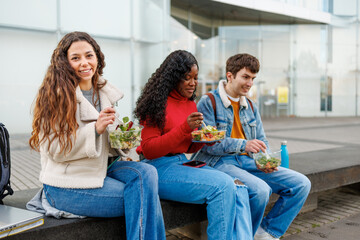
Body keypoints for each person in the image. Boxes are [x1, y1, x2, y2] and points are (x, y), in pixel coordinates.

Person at [29, 31, 165, 240]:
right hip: (66, 185)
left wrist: (122, 135)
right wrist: (94, 129)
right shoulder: (55, 95)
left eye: (89, 55)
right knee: (144, 198)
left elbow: (109, 140)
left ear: (97, 58)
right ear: (64, 63)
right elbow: (54, 149)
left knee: (147, 173)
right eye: (75, 58)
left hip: (102, 171)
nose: (84, 63)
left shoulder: (103, 92)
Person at [134, 50, 253, 240]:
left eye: (195, 78)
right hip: (157, 167)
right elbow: (149, 149)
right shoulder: (156, 103)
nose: (193, 83)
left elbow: (188, 147)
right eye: (187, 78)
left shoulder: (190, 103)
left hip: (183, 162)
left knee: (238, 186)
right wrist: (184, 128)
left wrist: (203, 140)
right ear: (173, 78)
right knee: (222, 186)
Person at [194, 53, 311, 240]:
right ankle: (245, 235)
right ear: (230, 76)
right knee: (260, 190)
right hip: (217, 162)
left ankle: (265, 233)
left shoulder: (250, 105)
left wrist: (263, 160)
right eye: (246, 77)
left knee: (301, 184)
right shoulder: (209, 102)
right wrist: (244, 144)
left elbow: (262, 140)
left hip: (247, 161)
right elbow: (208, 145)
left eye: (253, 78)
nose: (250, 83)